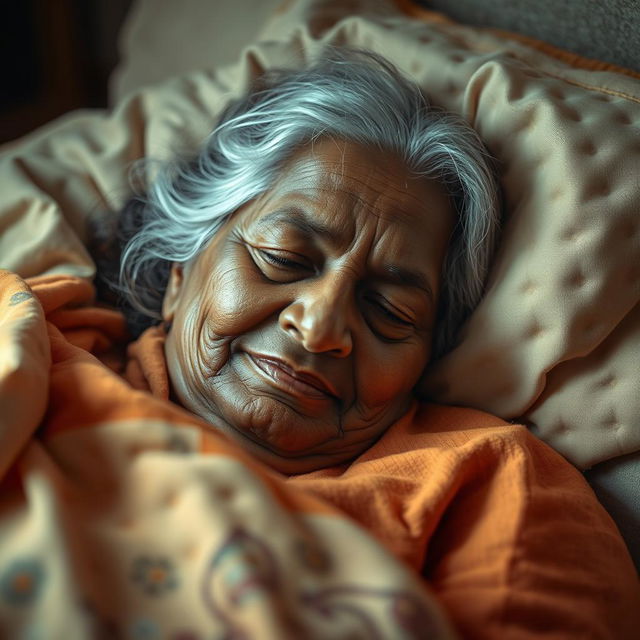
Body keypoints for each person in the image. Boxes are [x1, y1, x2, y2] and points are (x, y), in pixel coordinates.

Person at [85, 49, 639, 637]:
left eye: (390, 310)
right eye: (283, 258)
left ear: (429, 353)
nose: (321, 327)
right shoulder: (46, 349)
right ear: (181, 270)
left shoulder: (489, 484)